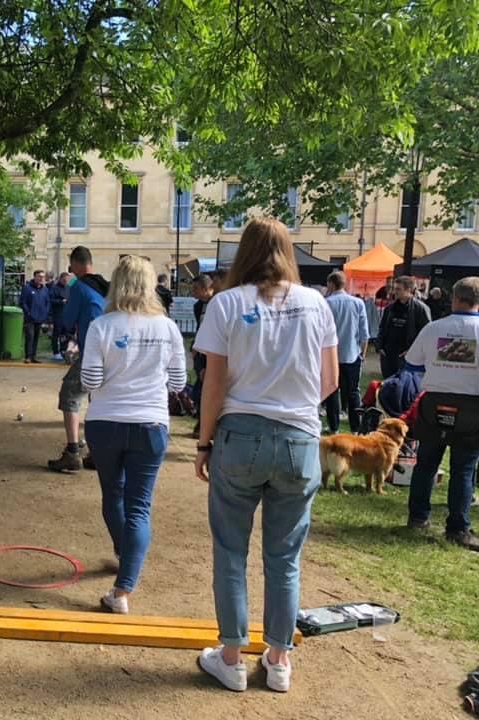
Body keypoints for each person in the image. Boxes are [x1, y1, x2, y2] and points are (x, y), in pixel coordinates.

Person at [193, 218, 338, 694]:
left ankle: (231, 657)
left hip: (240, 437)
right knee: (285, 556)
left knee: (230, 551)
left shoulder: (226, 304)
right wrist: (292, 403)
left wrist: (204, 441)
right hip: (299, 439)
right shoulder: (316, 303)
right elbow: (331, 379)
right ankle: (278, 660)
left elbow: (213, 384)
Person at [80, 256, 187, 614]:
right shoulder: (167, 327)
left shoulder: (101, 325)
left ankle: (124, 556)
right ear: (149, 286)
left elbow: (89, 381)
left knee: (113, 492)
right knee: (139, 505)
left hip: (106, 422)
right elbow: (178, 382)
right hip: (150, 424)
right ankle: (123, 588)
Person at [405, 277, 479, 551]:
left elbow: (412, 364)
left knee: (425, 464)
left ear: (454, 299)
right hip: (472, 406)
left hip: (434, 403)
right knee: (463, 468)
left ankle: (418, 517)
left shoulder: (434, 328)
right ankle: (458, 528)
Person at [48, 247, 109, 472]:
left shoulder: (80, 288)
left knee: (70, 395)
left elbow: (67, 320)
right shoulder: (104, 286)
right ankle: (98, 451)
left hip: (92, 351)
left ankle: (73, 452)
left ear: (75, 264)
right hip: (111, 351)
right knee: (98, 398)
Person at [324, 270, 369, 434]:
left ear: (331, 284)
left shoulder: (326, 303)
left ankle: (334, 426)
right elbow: (364, 333)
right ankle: (356, 428)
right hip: (352, 354)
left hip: (330, 355)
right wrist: (362, 354)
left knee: (332, 391)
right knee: (353, 392)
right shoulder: (358, 303)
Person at [377, 276, 431, 379]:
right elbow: (382, 328)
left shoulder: (420, 309)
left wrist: (412, 350)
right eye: (394, 288)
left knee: (404, 388)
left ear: (409, 290)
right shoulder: (390, 308)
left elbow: (427, 333)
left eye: (398, 289)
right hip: (388, 355)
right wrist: (380, 346)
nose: (394, 292)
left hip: (408, 356)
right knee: (388, 385)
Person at [190, 274, 216, 438]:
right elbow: (200, 327)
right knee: (198, 388)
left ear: (208, 288)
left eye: (196, 289)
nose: (193, 293)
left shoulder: (218, 304)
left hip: (213, 351)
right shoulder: (198, 306)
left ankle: (207, 425)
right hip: (200, 349)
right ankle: (201, 421)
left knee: (207, 385)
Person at [20, 270, 50, 363]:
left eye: (43, 277)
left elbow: (47, 302)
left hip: (40, 317)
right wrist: (28, 313)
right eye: (39, 276)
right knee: (30, 336)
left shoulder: (45, 289)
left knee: (36, 337)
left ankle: (34, 356)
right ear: (35, 277)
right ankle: (28, 356)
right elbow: (23, 302)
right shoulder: (27, 288)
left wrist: (45, 313)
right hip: (30, 318)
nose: (41, 279)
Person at [49, 272, 71, 361]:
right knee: (57, 333)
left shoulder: (68, 288)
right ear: (60, 279)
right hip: (57, 314)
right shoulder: (54, 288)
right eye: (64, 280)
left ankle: (63, 350)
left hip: (66, 314)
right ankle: (55, 352)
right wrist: (61, 301)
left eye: (67, 281)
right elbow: (50, 300)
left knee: (66, 333)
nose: (66, 282)